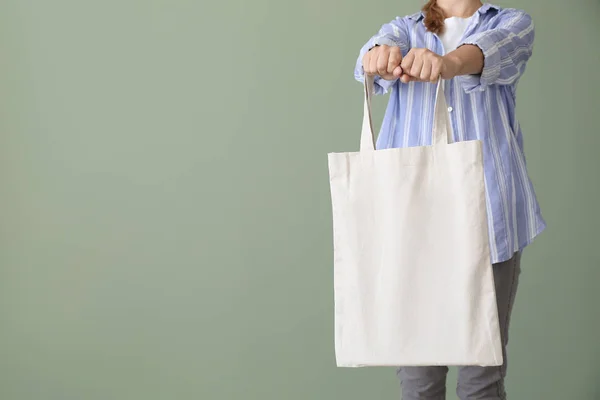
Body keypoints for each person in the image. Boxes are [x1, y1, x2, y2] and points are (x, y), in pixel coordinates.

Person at [355, 1, 546, 399]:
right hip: (413, 225)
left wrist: (446, 63)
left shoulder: (511, 22)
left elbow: (487, 50)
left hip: (491, 220)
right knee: (418, 380)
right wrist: (381, 57)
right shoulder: (403, 29)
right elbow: (369, 59)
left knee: (482, 379)